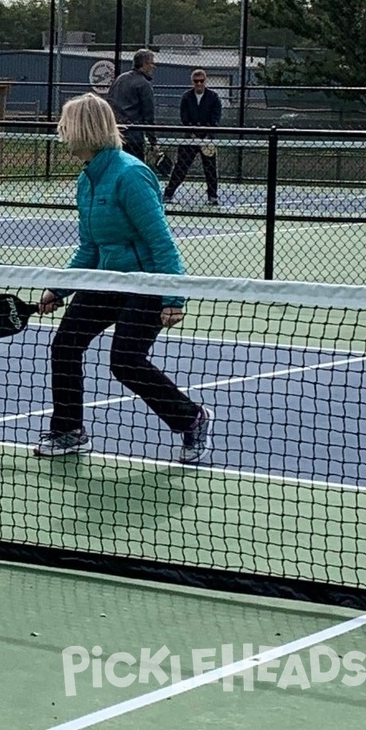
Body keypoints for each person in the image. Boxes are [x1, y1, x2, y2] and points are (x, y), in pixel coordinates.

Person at [33, 92, 212, 463]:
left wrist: (173, 297)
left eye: (66, 125)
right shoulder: (87, 181)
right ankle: (68, 430)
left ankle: (191, 418)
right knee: (65, 345)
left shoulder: (130, 175)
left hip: (145, 283)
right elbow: (90, 249)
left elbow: (161, 242)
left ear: (83, 129)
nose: (61, 132)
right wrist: (59, 289)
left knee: (125, 360)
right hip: (107, 281)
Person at [163, 69, 223, 206]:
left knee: (210, 168)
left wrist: (207, 136)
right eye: (196, 81)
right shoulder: (186, 97)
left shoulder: (213, 97)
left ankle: (212, 196)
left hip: (207, 139)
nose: (199, 84)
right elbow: (184, 117)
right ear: (192, 82)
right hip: (189, 138)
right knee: (181, 166)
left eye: (201, 81)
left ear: (205, 81)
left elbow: (216, 117)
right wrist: (193, 134)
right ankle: (168, 193)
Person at [106, 48, 157, 161]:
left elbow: (109, 103)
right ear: (145, 64)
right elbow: (148, 115)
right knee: (135, 167)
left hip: (115, 134)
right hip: (134, 137)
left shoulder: (120, 79)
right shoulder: (144, 84)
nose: (153, 67)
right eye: (152, 63)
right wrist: (153, 141)